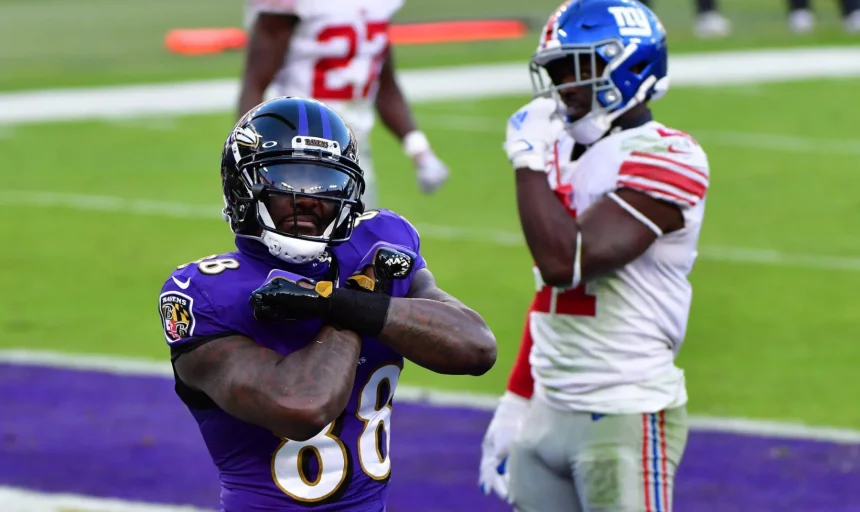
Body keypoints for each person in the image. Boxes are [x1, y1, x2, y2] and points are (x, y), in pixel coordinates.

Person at [158, 96, 496, 511]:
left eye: (326, 181)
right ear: (242, 185)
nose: (310, 199)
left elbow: (476, 348)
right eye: (289, 177)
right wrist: (355, 305)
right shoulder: (205, 292)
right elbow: (303, 406)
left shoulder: (379, 240)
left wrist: (337, 301)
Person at [479, 1, 711, 510]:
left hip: (625, 408)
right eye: (557, 71)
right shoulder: (558, 151)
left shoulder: (669, 156)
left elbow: (568, 262)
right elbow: (550, 291)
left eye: (577, 69)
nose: (564, 87)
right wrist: (517, 399)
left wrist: (526, 160)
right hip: (548, 407)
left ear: (629, 65)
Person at [237, 0, 450, 209]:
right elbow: (255, 82)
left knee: (355, 236)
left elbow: (384, 84)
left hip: (352, 149)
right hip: (296, 147)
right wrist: (245, 161)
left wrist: (420, 151)